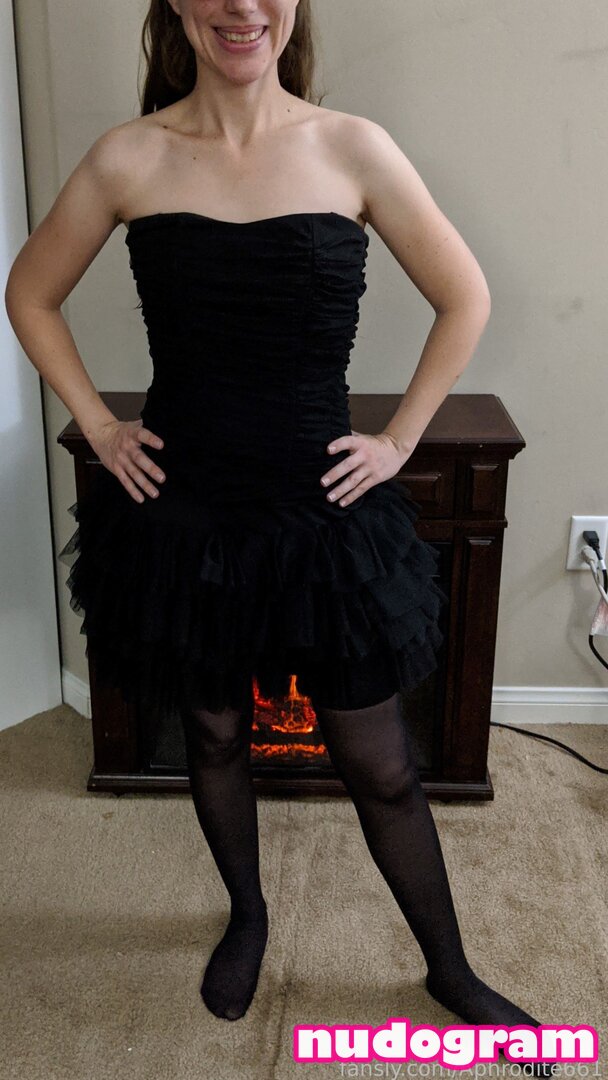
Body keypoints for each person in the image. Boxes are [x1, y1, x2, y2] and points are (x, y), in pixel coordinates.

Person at [5, 1, 555, 1074]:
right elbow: (31, 293)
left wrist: (398, 440)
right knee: (213, 736)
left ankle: (450, 971)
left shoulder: (353, 147)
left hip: (321, 515)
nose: (241, 5)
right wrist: (102, 424)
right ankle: (247, 915)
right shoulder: (127, 156)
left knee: (381, 763)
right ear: (177, 3)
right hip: (188, 517)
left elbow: (465, 296)